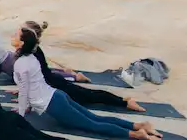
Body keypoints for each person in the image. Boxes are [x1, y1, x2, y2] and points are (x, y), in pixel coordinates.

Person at [13, 26, 163, 140]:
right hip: (56, 95)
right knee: (96, 118)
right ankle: (139, 126)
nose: (12, 37)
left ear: (22, 42)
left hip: (52, 103)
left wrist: (19, 116)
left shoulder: (21, 63)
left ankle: (135, 134)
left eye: (15, 35)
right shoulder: (31, 57)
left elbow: (25, 91)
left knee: (93, 125)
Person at [19, 20, 147, 112]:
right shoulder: (30, 50)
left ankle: (125, 102)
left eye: (19, 32)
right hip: (52, 82)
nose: (15, 34)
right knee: (87, 94)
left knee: (89, 96)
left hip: (55, 85)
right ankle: (122, 100)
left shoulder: (30, 51)